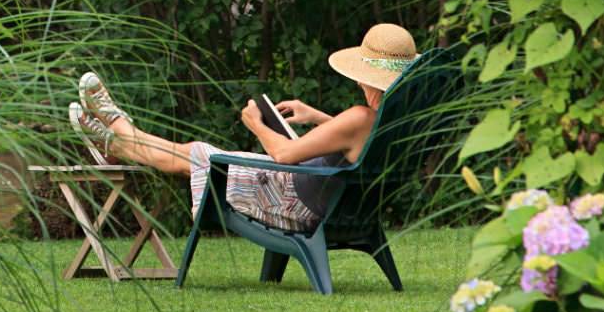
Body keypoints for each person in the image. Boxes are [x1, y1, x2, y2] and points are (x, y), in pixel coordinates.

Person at [70, 23, 420, 232]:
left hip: (290, 203)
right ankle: (118, 134)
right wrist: (316, 116)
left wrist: (255, 123)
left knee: (198, 154)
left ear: (365, 74)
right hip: (326, 204)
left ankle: (117, 134)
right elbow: (362, 146)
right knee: (194, 153)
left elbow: (281, 154)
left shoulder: (361, 116)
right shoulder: (392, 119)